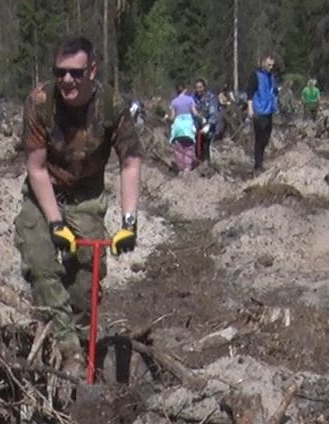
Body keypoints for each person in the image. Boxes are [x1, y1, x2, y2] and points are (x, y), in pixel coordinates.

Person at [15, 35, 143, 359]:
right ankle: (67, 350)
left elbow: (129, 162)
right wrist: (56, 223)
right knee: (41, 263)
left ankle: (84, 345)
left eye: (75, 73)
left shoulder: (112, 105)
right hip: (43, 193)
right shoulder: (40, 102)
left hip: (86, 196)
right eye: (60, 73)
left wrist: (129, 221)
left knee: (86, 283)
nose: (67, 80)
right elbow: (37, 167)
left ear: (92, 71)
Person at [245, 55, 281, 168]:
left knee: (266, 138)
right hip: (259, 110)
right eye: (269, 65)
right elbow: (250, 92)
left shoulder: (271, 76)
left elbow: (273, 92)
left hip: (269, 110)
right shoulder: (255, 75)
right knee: (259, 138)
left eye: (272, 65)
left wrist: (276, 105)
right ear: (263, 63)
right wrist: (250, 108)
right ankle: (258, 164)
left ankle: (260, 159)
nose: (271, 67)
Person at [169, 88, 199, 173]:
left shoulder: (174, 102)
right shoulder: (190, 100)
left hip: (178, 127)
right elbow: (195, 113)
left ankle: (180, 167)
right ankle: (187, 168)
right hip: (188, 127)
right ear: (185, 90)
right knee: (189, 148)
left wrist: (166, 118)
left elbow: (172, 117)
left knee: (179, 149)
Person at [191, 78, 220, 162]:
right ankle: (198, 161)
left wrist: (209, 124)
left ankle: (207, 163)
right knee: (196, 144)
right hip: (196, 125)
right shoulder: (193, 98)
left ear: (204, 87)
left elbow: (213, 113)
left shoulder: (210, 97)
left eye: (200, 87)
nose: (198, 90)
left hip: (208, 126)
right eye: (196, 87)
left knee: (206, 143)